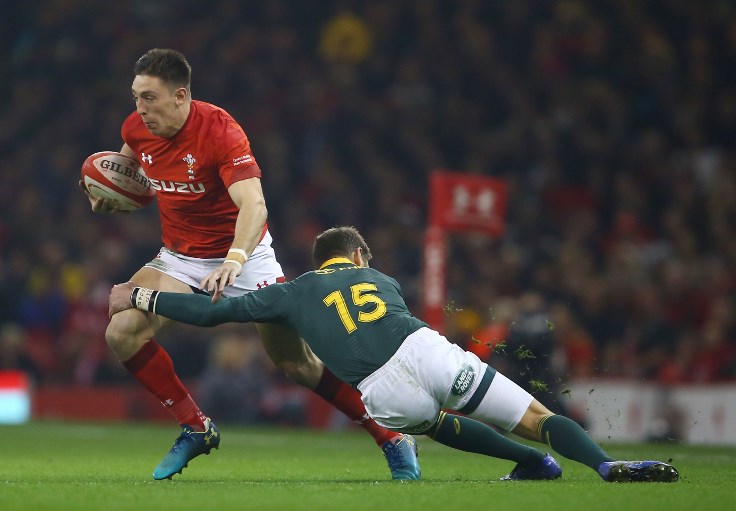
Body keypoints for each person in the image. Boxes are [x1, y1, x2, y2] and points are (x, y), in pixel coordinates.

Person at [109, 226, 680, 483]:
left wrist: (145, 295)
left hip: (381, 389)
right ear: (358, 254)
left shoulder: (289, 293)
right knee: (535, 415)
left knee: (433, 424)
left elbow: (211, 314)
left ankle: (529, 464)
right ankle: (605, 465)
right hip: (424, 348)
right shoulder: (380, 276)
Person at [80, 49, 419, 481]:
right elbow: (129, 175)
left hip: (246, 257)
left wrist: (236, 259)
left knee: (296, 365)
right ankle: (196, 427)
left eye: (149, 98)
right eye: (135, 97)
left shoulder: (221, 132)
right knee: (121, 330)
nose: (140, 109)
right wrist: (104, 196)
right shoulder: (137, 128)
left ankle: (389, 436)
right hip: (180, 257)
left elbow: (254, 205)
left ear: (181, 96)